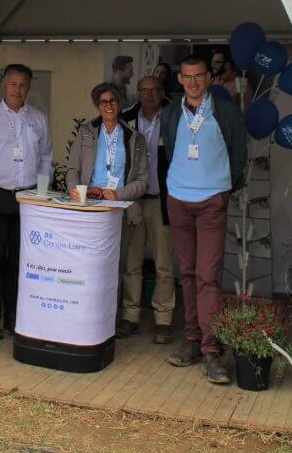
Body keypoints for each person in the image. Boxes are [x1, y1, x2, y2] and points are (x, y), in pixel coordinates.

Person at [160, 56, 247, 384]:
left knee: (208, 277)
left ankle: (212, 351)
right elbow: (171, 150)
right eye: (187, 77)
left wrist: (223, 188)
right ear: (179, 80)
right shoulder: (171, 113)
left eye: (199, 76)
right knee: (189, 273)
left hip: (212, 201)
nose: (193, 82)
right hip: (178, 199)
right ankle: (193, 342)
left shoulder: (225, 112)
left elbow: (239, 153)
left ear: (209, 78)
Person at [0, 64, 53, 339]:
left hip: (29, 197)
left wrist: (41, 192)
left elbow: (46, 157)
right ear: (3, 86)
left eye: (23, 85)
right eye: (13, 84)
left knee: (19, 260)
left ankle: (13, 316)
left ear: (29, 87)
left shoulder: (39, 119)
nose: (18, 90)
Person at [66, 82, 149, 331]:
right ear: (97, 105)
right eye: (103, 102)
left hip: (121, 208)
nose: (109, 106)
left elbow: (143, 181)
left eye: (113, 101)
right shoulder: (86, 132)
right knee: (93, 266)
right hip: (91, 210)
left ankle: (127, 318)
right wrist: (75, 191)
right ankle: (93, 315)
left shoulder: (134, 137)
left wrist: (118, 193)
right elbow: (72, 169)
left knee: (127, 265)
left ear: (120, 103)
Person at [117, 76, 175, 342]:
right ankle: (130, 316)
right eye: (144, 90)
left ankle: (163, 319)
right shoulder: (125, 119)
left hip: (163, 199)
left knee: (164, 263)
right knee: (131, 262)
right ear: (137, 93)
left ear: (162, 92)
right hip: (133, 201)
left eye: (154, 90)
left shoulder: (175, 117)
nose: (149, 95)